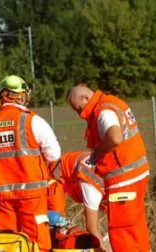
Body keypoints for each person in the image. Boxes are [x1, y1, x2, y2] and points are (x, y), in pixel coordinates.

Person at [0, 75, 61, 252]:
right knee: (38, 243)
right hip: (32, 195)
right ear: (22, 96)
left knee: (5, 244)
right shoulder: (32, 120)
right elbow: (54, 153)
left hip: (0, 196)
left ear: (1, 96)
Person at [67, 84, 151, 251]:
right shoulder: (112, 103)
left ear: (85, 98)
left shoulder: (103, 112)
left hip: (123, 181)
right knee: (136, 231)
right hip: (135, 175)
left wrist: (98, 152)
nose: (80, 114)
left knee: (123, 233)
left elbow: (114, 137)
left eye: (79, 109)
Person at [47, 150, 107, 250]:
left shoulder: (116, 176)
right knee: (55, 221)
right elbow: (91, 228)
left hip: (74, 173)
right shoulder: (92, 188)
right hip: (55, 175)